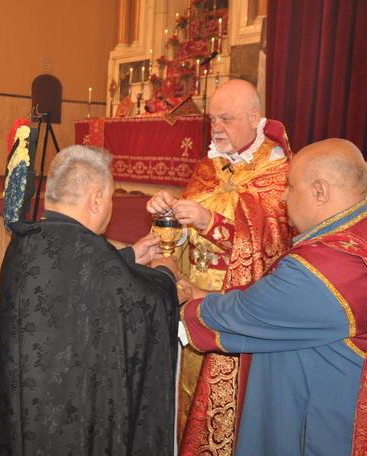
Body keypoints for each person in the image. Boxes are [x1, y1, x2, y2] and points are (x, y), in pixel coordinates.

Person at [179, 138, 367, 456]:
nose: (283, 196)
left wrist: (175, 293)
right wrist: (200, 291)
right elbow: (274, 301)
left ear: (320, 191)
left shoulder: (324, 266)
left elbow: (245, 314)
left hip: (321, 428)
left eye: (291, 186)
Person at [0, 145, 180, 456]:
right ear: (96, 199)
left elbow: (71, 277)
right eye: (111, 198)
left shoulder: (25, 241)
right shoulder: (95, 257)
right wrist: (165, 274)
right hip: (70, 424)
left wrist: (128, 256)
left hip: (26, 414)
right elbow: (143, 304)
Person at [146, 79, 293, 452]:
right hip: (190, 299)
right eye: (212, 119)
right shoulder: (210, 165)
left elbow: (271, 245)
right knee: (187, 394)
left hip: (235, 308)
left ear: (254, 117)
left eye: (226, 119)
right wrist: (168, 218)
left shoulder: (278, 170)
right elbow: (182, 236)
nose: (216, 128)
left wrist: (208, 221)